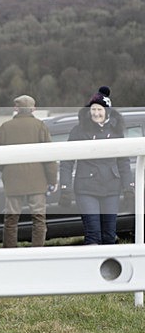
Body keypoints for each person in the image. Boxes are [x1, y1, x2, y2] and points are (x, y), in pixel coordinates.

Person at [59, 87, 133, 245]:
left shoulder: (116, 131)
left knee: (109, 234)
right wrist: (65, 188)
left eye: (99, 109)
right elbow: (66, 161)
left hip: (111, 188)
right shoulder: (78, 131)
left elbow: (123, 161)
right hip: (86, 189)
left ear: (107, 111)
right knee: (93, 234)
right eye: (93, 109)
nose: (96, 113)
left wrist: (129, 188)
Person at [0, 95, 57, 248]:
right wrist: (52, 179)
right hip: (37, 181)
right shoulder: (40, 126)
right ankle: (37, 251)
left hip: (13, 182)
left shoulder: (5, 127)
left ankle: (10, 251)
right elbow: (49, 156)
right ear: (33, 109)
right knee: (39, 219)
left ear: (16, 108)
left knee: (11, 220)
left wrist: (7, 169)